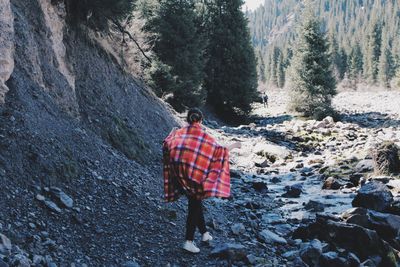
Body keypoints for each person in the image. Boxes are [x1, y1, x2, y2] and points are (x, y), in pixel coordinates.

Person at [162, 108, 241, 253]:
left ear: (187, 120)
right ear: (201, 121)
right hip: (195, 179)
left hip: (179, 178)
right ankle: (188, 241)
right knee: (194, 206)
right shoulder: (205, 137)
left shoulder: (179, 134)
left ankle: (204, 234)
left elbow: (167, 143)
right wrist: (235, 145)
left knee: (195, 203)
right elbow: (220, 151)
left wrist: (172, 132)